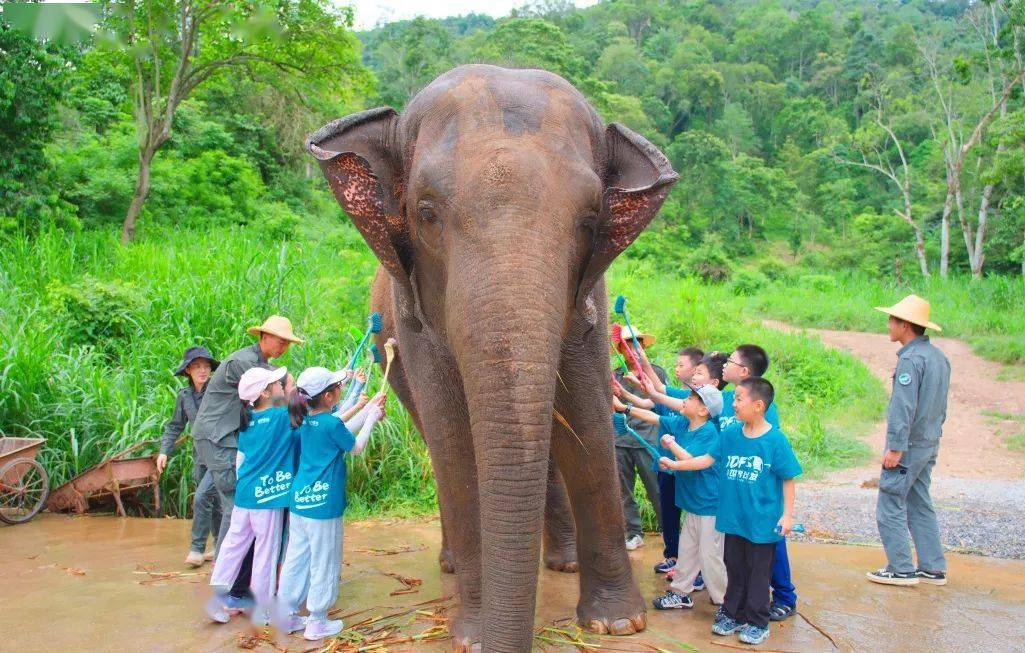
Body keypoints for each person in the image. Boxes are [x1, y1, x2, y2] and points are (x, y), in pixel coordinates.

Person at [664, 378, 801, 646]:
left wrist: (787, 515)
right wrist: (676, 465)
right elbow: (706, 460)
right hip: (732, 519)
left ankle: (757, 621)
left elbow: (788, 478)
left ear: (758, 405)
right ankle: (732, 613)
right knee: (734, 569)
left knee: (758, 574)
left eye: (739, 399)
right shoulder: (730, 435)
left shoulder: (775, 440)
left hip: (762, 523)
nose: (733, 404)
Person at [191, 315, 303, 609]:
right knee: (237, 509)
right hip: (218, 437)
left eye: (287, 344)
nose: (283, 348)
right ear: (264, 337)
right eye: (280, 341)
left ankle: (231, 587)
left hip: (230, 438)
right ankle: (236, 589)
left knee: (236, 508)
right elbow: (280, 398)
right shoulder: (249, 364)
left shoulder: (259, 368)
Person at [275, 367, 386, 640]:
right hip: (323, 507)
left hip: (300, 503)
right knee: (324, 562)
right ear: (328, 396)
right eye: (337, 386)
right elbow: (355, 446)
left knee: (296, 560)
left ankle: (287, 616)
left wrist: (367, 409)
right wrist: (371, 416)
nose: (340, 388)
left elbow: (340, 430)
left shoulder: (303, 421)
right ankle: (317, 620)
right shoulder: (331, 423)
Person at [619, 383, 727, 610]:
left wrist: (671, 448)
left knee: (710, 558)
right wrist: (625, 408)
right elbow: (653, 417)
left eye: (692, 398)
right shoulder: (682, 423)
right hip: (693, 506)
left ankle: (724, 602)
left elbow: (692, 461)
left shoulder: (708, 432)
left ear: (703, 410)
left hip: (710, 508)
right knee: (686, 551)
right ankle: (680, 593)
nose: (685, 400)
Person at [867, 295, 950, 587]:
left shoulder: (910, 361)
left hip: (910, 446)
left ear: (905, 325)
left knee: (890, 501)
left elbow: (903, 408)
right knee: (919, 501)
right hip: (929, 443)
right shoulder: (938, 357)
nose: (888, 325)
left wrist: (896, 447)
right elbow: (940, 405)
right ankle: (932, 566)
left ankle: (901, 568)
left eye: (892, 320)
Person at [205, 366, 295, 624]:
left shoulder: (246, 422)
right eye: (275, 383)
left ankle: (218, 599)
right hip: (267, 500)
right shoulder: (280, 417)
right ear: (266, 392)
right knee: (266, 551)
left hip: (244, 497)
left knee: (233, 547)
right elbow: (310, 413)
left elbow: (240, 460)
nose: (279, 386)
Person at [720, 345, 794, 621]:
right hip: (738, 504)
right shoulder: (729, 403)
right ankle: (736, 611)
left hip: (763, 505)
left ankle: (783, 598)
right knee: (738, 563)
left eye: (729, 360)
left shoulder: (769, 424)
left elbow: (784, 472)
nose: (724, 364)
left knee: (767, 555)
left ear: (744, 371)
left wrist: (786, 513)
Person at [157, 346, 222, 568]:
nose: (203, 371)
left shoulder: (218, 391)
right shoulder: (184, 397)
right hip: (200, 456)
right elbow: (174, 426)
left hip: (221, 455)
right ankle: (220, 545)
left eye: (206, 366)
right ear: (188, 371)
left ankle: (197, 548)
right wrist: (164, 451)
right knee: (213, 502)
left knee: (202, 496)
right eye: (197, 367)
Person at [612, 325, 666, 551]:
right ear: (620, 351)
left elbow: (659, 402)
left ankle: (668, 532)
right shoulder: (615, 375)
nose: (633, 350)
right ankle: (634, 533)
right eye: (627, 346)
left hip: (647, 439)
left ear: (643, 348)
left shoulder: (656, 373)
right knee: (624, 491)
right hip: (620, 439)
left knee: (656, 488)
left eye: (637, 345)